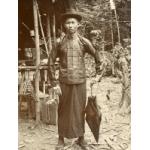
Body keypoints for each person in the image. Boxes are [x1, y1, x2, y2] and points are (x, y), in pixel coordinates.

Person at [48, 9, 102, 150]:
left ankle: (81, 137)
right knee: (62, 109)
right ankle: (61, 138)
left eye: (73, 22)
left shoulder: (84, 42)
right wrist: (54, 83)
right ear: (64, 25)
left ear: (78, 25)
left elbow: (98, 57)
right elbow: (50, 62)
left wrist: (98, 75)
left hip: (80, 81)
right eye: (68, 23)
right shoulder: (59, 42)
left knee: (80, 110)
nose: (70, 25)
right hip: (64, 82)